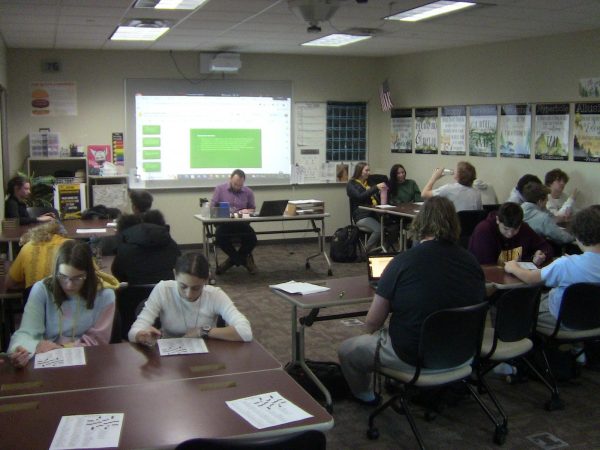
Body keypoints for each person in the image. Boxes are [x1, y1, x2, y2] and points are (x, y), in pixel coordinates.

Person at [338, 197, 486, 404]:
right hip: (462, 353)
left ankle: (366, 396)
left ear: (420, 223)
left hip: (412, 356)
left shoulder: (403, 262)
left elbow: (372, 323)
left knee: (348, 350)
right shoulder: (471, 261)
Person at [8, 240, 116, 368]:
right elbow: (27, 332)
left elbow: (98, 341)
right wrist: (24, 350)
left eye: (78, 278)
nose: (69, 285)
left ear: (89, 274)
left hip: (88, 361)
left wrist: (60, 348)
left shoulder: (105, 295)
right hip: (48, 361)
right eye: (63, 276)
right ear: (55, 273)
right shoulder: (42, 289)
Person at [505, 206, 600, 327]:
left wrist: (513, 267)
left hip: (561, 320)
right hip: (595, 321)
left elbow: (531, 278)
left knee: (521, 305)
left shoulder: (566, 264)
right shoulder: (567, 264)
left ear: (578, 236)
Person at [128, 252, 252, 344]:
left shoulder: (214, 295)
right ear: (175, 275)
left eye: (196, 288)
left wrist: (203, 331)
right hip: (170, 357)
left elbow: (245, 332)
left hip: (204, 354)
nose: (189, 294)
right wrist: (141, 335)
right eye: (183, 286)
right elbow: (133, 332)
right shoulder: (163, 290)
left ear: (206, 280)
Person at [468, 202, 553, 266]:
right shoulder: (484, 231)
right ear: (497, 220)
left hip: (518, 278)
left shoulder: (524, 228)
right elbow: (486, 267)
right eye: (505, 229)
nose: (510, 234)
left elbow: (546, 247)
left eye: (516, 229)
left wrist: (541, 254)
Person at [111, 209, 180, 285]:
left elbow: (117, 274)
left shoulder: (125, 249)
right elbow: (179, 268)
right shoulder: (171, 244)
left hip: (133, 294)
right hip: (166, 292)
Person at [210, 169, 257, 274]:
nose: (237, 187)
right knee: (220, 237)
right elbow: (212, 208)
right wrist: (225, 212)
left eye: (240, 185)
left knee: (252, 238)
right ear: (230, 179)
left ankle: (230, 262)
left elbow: (252, 209)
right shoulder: (220, 189)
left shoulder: (248, 191)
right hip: (225, 224)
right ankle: (242, 260)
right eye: (235, 184)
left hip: (241, 223)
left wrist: (247, 210)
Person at [5, 222, 70, 290]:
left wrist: (27, 284)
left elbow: (9, 283)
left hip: (33, 296)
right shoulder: (71, 245)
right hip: (63, 297)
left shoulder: (28, 247)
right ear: (63, 234)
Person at [346, 162, 387, 253]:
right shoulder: (351, 184)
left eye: (369, 170)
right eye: (366, 170)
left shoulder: (369, 182)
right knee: (379, 230)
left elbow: (383, 179)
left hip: (375, 213)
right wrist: (375, 188)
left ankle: (382, 251)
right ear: (359, 171)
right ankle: (367, 250)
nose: (369, 172)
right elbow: (360, 196)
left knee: (394, 227)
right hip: (361, 216)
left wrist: (379, 193)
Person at [521, 182, 574, 246]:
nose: (547, 202)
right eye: (546, 200)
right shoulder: (543, 218)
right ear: (540, 201)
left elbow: (551, 216)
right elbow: (562, 237)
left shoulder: (519, 209)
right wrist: (575, 238)